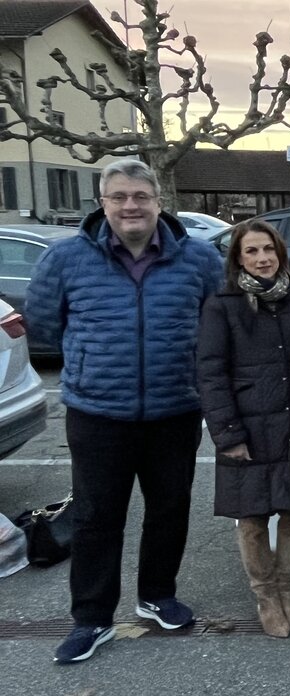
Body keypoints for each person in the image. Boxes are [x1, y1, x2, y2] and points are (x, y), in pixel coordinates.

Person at [24, 160, 224, 664]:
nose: (130, 206)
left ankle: (157, 595)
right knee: (96, 517)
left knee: (169, 509)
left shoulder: (199, 259)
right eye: (119, 197)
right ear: (103, 203)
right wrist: (95, 360)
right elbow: (44, 323)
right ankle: (91, 618)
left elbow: (217, 323)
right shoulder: (66, 257)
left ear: (158, 201)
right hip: (97, 413)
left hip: (174, 409)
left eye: (140, 196)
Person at [197, 221, 290, 637]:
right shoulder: (222, 305)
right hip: (246, 426)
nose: (262, 258)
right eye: (251, 251)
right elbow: (211, 374)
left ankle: (288, 593)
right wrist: (228, 434)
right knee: (251, 518)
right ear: (238, 258)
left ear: (280, 252)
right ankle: (266, 597)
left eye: (268, 249)